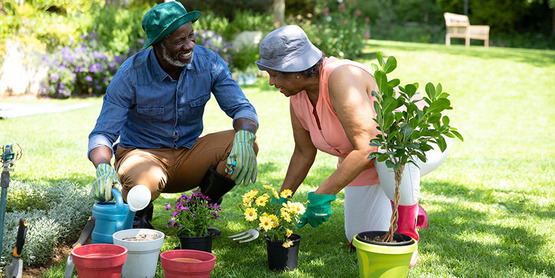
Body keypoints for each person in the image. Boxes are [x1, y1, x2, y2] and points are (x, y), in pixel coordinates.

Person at [255, 25, 437, 266]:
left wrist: (322, 194)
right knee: (357, 237)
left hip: (411, 142)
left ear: (296, 70)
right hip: (367, 162)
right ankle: (409, 208)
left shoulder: (341, 77)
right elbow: (303, 152)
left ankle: (407, 235)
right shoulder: (297, 96)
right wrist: (283, 198)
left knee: (388, 153)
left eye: (275, 74)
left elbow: (369, 147)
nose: (271, 82)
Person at [87, 1, 259, 230]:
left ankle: (196, 215)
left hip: (189, 153)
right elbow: (102, 134)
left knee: (245, 143)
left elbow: (241, 107)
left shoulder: (209, 63)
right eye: (179, 40)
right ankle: (139, 222)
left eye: (191, 36)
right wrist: (102, 167)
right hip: (143, 157)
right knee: (143, 179)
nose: (189, 45)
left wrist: (246, 135)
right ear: (158, 45)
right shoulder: (131, 74)